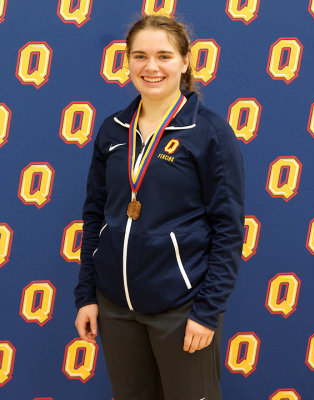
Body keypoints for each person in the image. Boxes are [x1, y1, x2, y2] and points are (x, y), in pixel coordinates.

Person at [74, 15, 244, 400]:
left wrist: (206, 311)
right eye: (140, 56)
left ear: (185, 61)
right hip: (115, 307)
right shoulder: (114, 129)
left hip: (180, 308)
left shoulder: (209, 133)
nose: (151, 67)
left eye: (164, 56)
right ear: (128, 62)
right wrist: (86, 295)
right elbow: (94, 215)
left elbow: (229, 228)